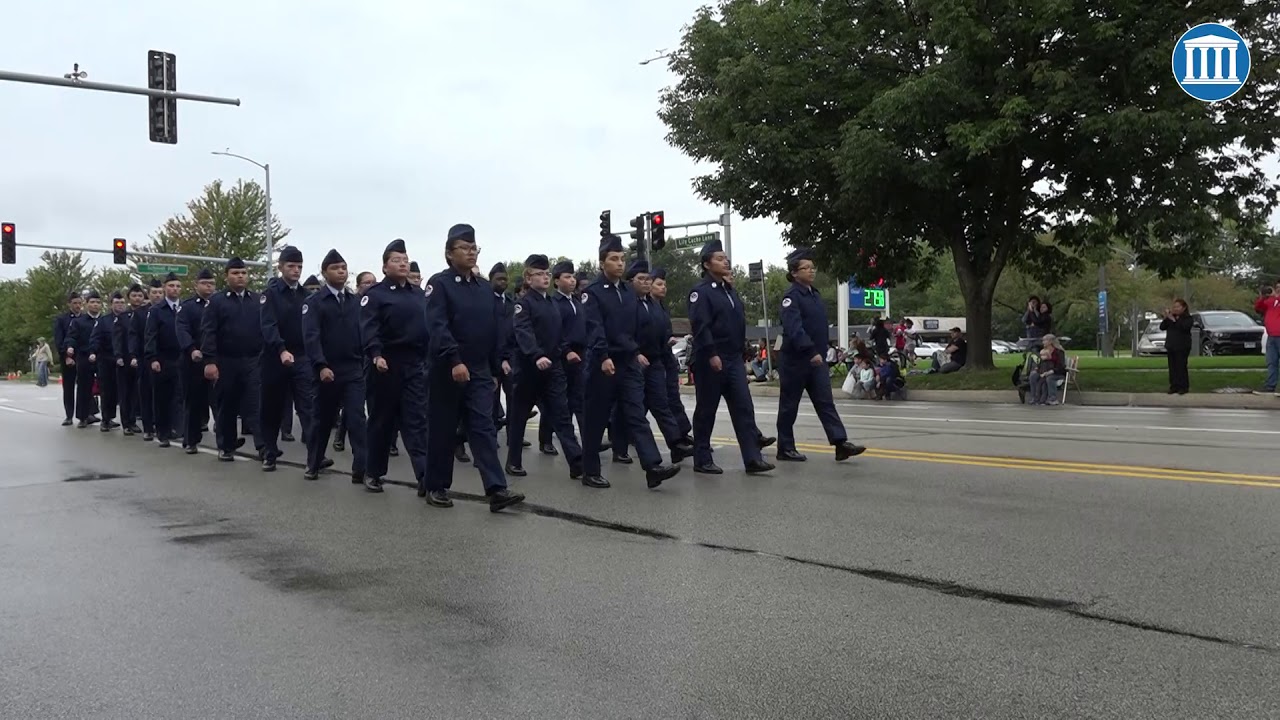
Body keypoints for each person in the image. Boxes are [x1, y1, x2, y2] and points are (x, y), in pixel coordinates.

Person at [423, 225, 525, 511]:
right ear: (449, 253)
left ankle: (496, 489)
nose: (471, 252)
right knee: (443, 430)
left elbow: (493, 330)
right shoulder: (440, 285)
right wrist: (454, 360)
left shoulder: (483, 289)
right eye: (464, 248)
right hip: (448, 369)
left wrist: (494, 369)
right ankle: (436, 486)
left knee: (483, 428)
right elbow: (437, 326)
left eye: (474, 248)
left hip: (479, 370)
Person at [580, 235, 681, 489]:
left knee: (636, 413)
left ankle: (652, 466)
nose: (620, 263)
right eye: (614, 259)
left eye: (622, 259)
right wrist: (602, 356)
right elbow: (594, 328)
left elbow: (635, 326)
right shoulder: (592, 293)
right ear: (602, 262)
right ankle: (590, 470)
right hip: (603, 363)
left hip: (627, 363)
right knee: (597, 417)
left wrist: (636, 351)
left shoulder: (628, 292)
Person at [687, 238, 775, 474]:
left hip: (733, 359)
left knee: (744, 407)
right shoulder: (701, 292)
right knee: (707, 410)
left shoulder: (729, 292)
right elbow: (701, 326)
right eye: (719, 258)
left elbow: (736, 325)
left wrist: (742, 352)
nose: (725, 261)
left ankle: (752, 458)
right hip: (711, 359)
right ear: (707, 264)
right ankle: (702, 458)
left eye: (725, 258)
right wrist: (711, 353)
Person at [775, 248, 866, 462]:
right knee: (789, 405)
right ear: (795, 273)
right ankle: (785, 447)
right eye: (806, 268)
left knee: (825, 402)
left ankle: (840, 443)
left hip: (817, 360)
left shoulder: (815, 295)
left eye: (812, 267)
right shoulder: (791, 297)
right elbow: (794, 328)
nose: (811, 271)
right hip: (796, 360)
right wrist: (809, 350)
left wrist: (822, 351)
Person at [360, 238, 430, 493]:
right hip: (385, 365)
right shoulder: (376, 295)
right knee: (381, 421)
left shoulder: (418, 295)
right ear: (385, 267)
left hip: (414, 365)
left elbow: (428, 328)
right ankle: (374, 472)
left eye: (405, 259)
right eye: (396, 260)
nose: (403, 263)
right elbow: (369, 329)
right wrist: (376, 354)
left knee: (417, 421)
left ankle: (425, 476)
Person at [505, 253, 584, 477]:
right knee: (519, 416)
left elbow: (558, 334)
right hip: (529, 369)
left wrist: (564, 352)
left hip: (553, 367)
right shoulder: (523, 304)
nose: (545, 277)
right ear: (528, 279)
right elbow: (523, 332)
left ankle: (576, 460)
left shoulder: (551, 303)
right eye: (539, 274)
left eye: (547, 273)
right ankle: (513, 462)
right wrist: (536, 355)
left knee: (561, 414)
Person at [303, 249, 369, 485]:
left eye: (343, 268)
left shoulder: (354, 302)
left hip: (352, 369)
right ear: (324, 273)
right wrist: (320, 365)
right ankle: (314, 462)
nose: (341, 272)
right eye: (335, 268)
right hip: (327, 371)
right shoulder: (315, 303)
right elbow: (311, 337)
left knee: (357, 418)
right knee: (322, 419)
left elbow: (362, 332)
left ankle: (362, 468)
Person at [199, 259, 264, 461]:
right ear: (227, 276)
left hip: (253, 360)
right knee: (227, 405)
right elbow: (208, 331)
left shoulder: (258, 300)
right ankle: (226, 446)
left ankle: (264, 447)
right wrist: (210, 361)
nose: (240, 276)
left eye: (243, 272)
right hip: (226, 361)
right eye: (235, 273)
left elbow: (266, 328)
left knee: (256, 405)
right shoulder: (217, 301)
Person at [260, 246, 317, 472]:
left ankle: (315, 455)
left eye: (299, 267)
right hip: (276, 358)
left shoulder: (306, 296)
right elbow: (268, 326)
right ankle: (270, 452)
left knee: (309, 408)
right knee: (272, 408)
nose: (296, 271)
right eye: (291, 266)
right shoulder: (271, 294)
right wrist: (281, 349)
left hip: (302, 358)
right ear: (281, 267)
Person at [649, 268, 694, 444]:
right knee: (652, 402)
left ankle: (682, 433)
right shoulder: (646, 307)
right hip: (652, 357)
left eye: (664, 285)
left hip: (665, 357)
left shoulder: (662, 307)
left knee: (672, 396)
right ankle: (622, 435)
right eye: (659, 284)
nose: (663, 288)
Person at [175, 269, 217, 453]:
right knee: (193, 402)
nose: (209, 287)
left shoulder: (219, 304)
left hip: (216, 360)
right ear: (196, 285)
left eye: (212, 283)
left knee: (220, 401)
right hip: (193, 361)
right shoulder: (188, 307)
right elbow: (182, 330)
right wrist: (191, 349)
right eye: (205, 283)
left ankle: (226, 441)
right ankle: (191, 440)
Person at [145, 273, 185, 447]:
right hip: (163, 358)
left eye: (177, 286)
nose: (174, 289)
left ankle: (179, 428)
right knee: (162, 397)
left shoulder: (185, 308)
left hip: (182, 357)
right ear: (164, 288)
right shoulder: (156, 311)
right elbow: (150, 335)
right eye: (171, 286)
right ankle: (162, 432)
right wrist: (152, 357)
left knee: (180, 395)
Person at [89, 292, 126, 432]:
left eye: (122, 302)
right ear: (111, 304)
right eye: (117, 303)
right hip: (106, 360)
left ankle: (113, 417)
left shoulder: (128, 319)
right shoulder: (104, 321)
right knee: (107, 391)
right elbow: (95, 338)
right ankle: (105, 419)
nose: (120, 305)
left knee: (119, 392)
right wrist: (93, 352)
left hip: (122, 360)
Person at [132, 280, 164, 440]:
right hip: (145, 359)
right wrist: (135, 356)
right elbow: (135, 337)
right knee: (146, 394)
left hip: (164, 358)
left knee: (163, 395)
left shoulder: (168, 310)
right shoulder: (140, 313)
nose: (157, 296)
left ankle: (163, 426)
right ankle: (148, 428)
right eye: (154, 293)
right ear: (149, 294)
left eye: (160, 292)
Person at [115, 284, 147, 436]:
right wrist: (119, 356)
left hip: (143, 358)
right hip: (126, 359)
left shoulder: (148, 313)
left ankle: (135, 420)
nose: (137, 298)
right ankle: (127, 422)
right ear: (129, 298)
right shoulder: (122, 317)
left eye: (140, 295)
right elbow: (118, 339)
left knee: (137, 392)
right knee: (125, 392)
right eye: (134, 295)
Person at [68, 291, 103, 429]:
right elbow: (72, 336)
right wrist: (70, 347)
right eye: (92, 302)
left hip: (102, 357)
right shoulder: (78, 322)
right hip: (84, 356)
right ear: (87, 304)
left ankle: (107, 417)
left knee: (106, 388)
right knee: (84, 387)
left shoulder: (104, 320)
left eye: (98, 302)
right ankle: (83, 417)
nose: (95, 305)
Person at [53, 293, 84, 425]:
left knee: (86, 386)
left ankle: (86, 414)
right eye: (75, 303)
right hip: (68, 356)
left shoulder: (85, 318)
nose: (77, 306)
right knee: (69, 386)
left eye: (79, 303)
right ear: (69, 304)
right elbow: (59, 340)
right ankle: (69, 415)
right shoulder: (62, 319)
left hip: (83, 356)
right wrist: (66, 356)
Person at [1160, 299, 1194, 395]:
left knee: (1181, 366)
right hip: (1171, 345)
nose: (1175, 309)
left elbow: (1184, 328)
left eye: (1178, 307)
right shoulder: (1171, 318)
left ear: (1184, 308)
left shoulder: (1187, 318)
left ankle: (1183, 386)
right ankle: (1174, 386)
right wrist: (1167, 318)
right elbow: (1162, 327)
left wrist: (1174, 320)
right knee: (1172, 367)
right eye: (1174, 307)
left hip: (1182, 346)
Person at [1255, 280, 1280, 395]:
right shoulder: (1270, 301)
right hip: (1271, 336)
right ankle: (1270, 386)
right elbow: (1258, 307)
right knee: (1271, 362)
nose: (1278, 289)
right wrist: (1262, 295)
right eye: (1277, 287)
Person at [1026, 334, 1066, 405]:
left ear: (1050, 342)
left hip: (1057, 373)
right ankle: (1034, 398)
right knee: (1033, 375)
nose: (1043, 342)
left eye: (1045, 340)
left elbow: (1061, 366)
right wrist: (1037, 368)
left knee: (1049, 378)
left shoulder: (1059, 352)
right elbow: (1041, 363)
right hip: (1044, 370)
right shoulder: (1043, 351)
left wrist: (1051, 371)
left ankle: (1052, 399)